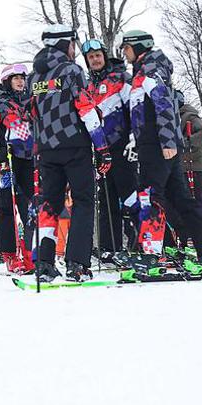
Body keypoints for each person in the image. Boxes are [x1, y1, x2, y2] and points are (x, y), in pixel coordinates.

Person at [121, 30, 202, 278]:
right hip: (151, 144)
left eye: (126, 48)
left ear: (138, 47)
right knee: (181, 199)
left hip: (157, 145)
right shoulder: (143, 70)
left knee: (150, 197)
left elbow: (165, 106)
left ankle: (150, 257)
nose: (124, 53)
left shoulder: (150, 69)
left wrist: (168, 141)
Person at [28, 24, 104, 282]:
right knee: (83, 201)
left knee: (49, 204)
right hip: (74, 145)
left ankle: (45, 263)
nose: (74, 48)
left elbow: (32, 115)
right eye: (72, 43)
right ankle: (77, 262)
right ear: (64, 44)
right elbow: (85, 108)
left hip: (46, 150)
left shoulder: (33, 78)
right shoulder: (72, 71)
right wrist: (102, 146)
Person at [80, 37, 138, 265]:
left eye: (97, 56)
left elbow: (134, 107)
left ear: (104, 56)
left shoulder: (119, 77)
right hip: (100, 150)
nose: (95, 60)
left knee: (131, 196)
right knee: (106, 199)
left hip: (122, 146)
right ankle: (109, 246)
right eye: (90, 57)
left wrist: (135, 137)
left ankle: (145, 242)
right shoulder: (88, 87)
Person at [0, 62, 35, 273]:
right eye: (16, 78)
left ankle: (32, 253)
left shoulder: (32, 102)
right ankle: (10, 254)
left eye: (23, 78)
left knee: (30, 205)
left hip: (28, 159)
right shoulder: (0, 104)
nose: (21, 81)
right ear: (7, 82)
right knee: (7, 204)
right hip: (5, 160)